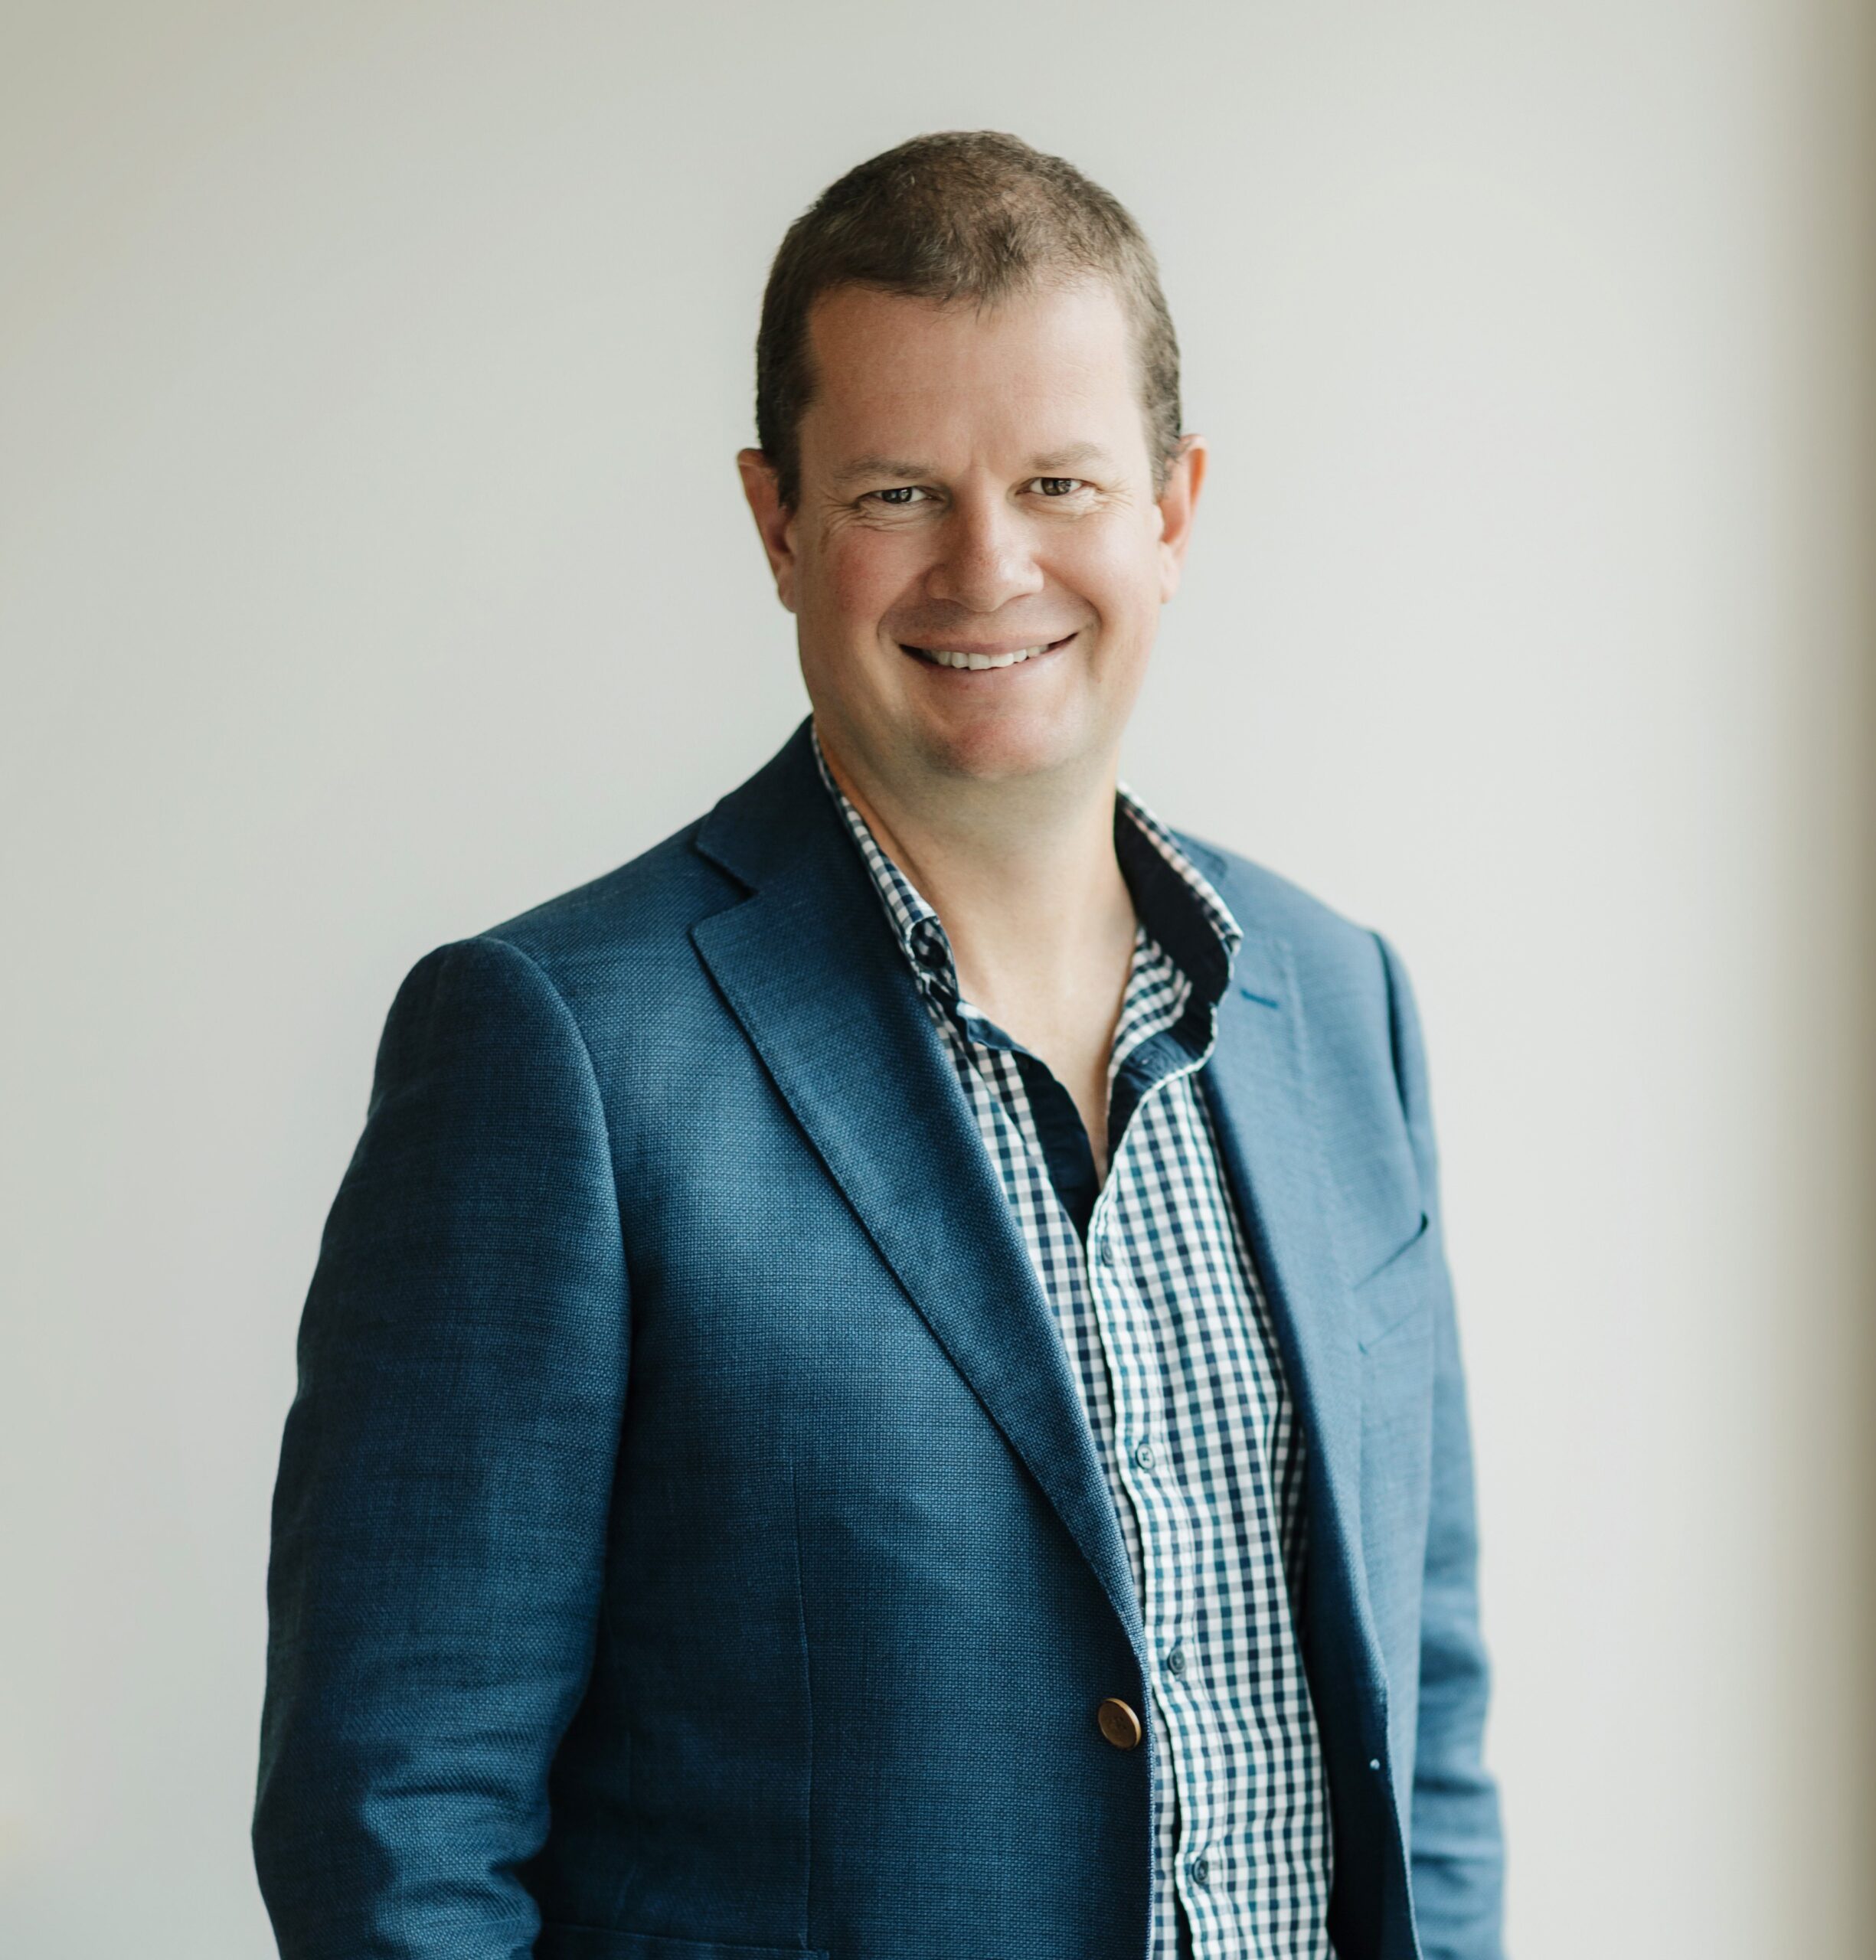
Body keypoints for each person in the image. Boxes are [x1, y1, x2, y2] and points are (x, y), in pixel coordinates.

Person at [253, 130, 1504, 1960]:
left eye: (1061, 482)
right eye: (900, 492)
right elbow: (396, 1824)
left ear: (1173, 510)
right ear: (777, 523)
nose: (988, 568)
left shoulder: (1339, 1002)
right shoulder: (554, 1050)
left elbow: (1427, 1715)